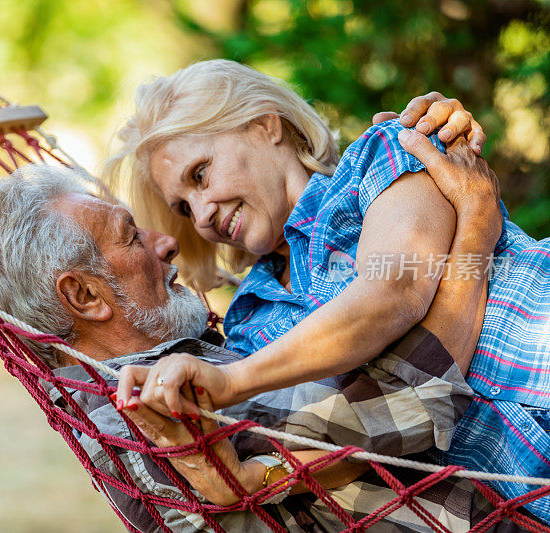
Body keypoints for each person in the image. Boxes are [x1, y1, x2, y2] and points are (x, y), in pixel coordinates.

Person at [0, 157, 517, 531]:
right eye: (131, 236)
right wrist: (476, 228)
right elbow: (408, 402)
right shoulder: (148, 412)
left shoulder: (167, 368)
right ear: (86, 296)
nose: (168, 244)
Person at [107, 60, 550, 522]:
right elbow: (348, 433)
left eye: (200, 175)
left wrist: (232, 382)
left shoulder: (383, 155)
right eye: (182, 205)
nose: (199, 216)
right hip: (528, 493)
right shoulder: (248, 326)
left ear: (264, 125)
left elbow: (396, 287)